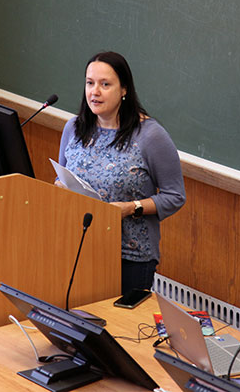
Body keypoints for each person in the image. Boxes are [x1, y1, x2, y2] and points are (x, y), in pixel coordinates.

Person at [56, 51, 186, 295]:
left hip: (129, 256)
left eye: (105, 85)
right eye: (90, 83)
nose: (95, 92)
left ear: (124, 89)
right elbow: (60, 176)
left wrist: (131, 207)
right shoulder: (73, 128)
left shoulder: (150, 136)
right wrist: (61, 187)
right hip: (79, 245)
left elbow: (175, 196)